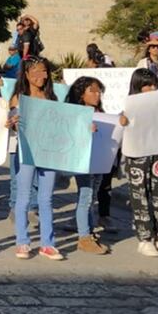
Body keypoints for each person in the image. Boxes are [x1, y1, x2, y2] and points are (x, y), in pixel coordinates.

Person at [10, 56, 64, 260]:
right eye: (36, 72)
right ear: (26, 74)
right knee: (23, 197)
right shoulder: (19, 97)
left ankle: (47, 243)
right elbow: (10, 120)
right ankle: (22, 241)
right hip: (26, 153)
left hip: (48, 152)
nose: (41, 76)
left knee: (46, 198)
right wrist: (12, 121)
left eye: (44, 71)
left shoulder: (51, 97)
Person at [122, 68, 158, 258]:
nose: (151, 88)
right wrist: (122, 121)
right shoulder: (130, 105)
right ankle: (145, 239)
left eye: (153, 84)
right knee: (141, 197)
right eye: (146, 85)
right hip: (137, 156)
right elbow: (121, 123)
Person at [64, 77, 110, 254]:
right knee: (85, 197)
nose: (97, 94)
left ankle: (89, 232)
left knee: (92, 197)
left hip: (98, 161)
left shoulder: (100, 112)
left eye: (99, 91)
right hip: (82, 161)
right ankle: (84, 237)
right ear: (81, 94)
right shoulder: (76, 113)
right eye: (92, 90)